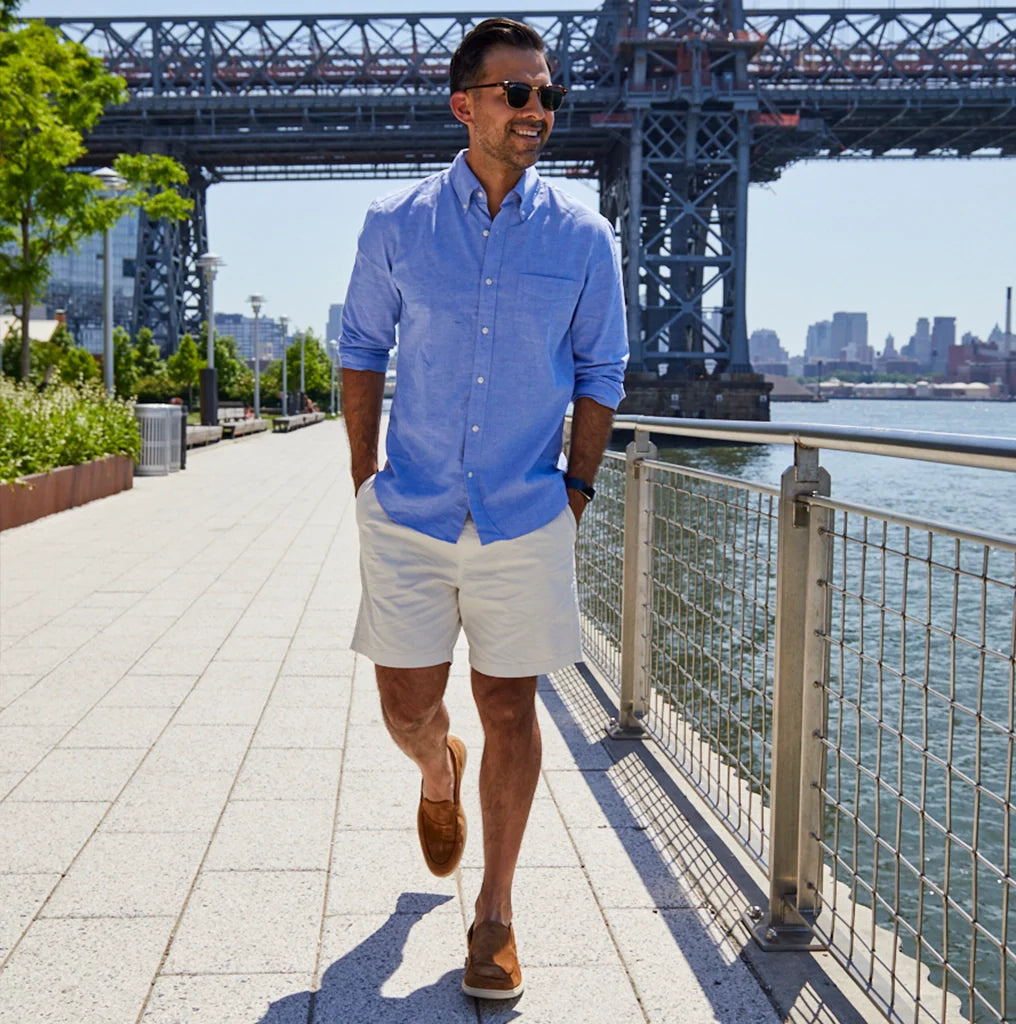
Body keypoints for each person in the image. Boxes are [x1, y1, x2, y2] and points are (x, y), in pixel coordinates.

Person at [340, 16, 628, 1001]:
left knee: (512, 704)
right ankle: (435, 769)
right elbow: (360, 352)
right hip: (412, 511)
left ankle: (494, 915)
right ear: (465, 104)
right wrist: (360, 481)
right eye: (518, 93)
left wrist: (576, 492)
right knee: (404, 707)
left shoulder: (585, 237)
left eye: (549, 94)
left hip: (523, 511)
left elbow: (601, 372)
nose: (538, 110)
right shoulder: (395, 224)